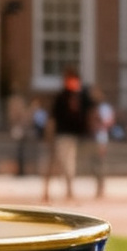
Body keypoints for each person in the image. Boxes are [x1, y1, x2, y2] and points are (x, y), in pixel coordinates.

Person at [43, 71, 90, 204]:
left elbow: (85, 115)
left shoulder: (80, 97)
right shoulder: (62, 97)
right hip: (61, 135)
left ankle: (69, 191)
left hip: (72, 135)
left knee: (69, 163)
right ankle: (47, 191)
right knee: (58, 163)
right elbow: (54, 116)